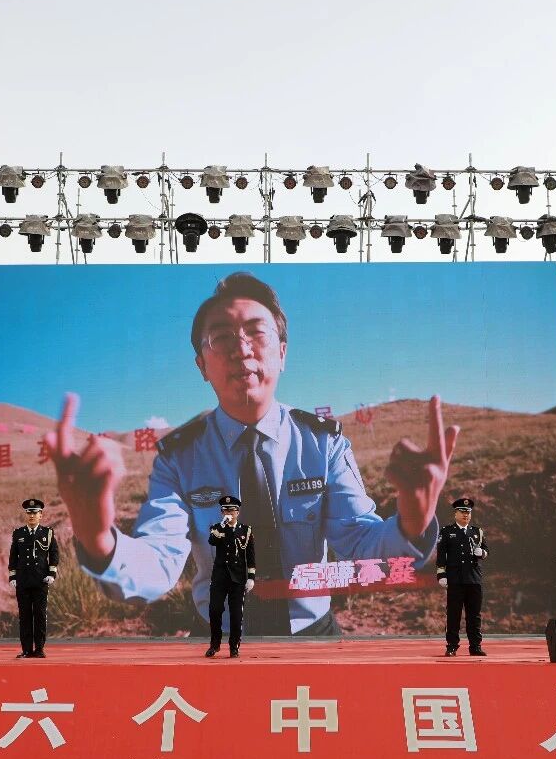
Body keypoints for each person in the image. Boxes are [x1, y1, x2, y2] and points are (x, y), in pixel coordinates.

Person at [41, 271, 459, 637]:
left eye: (257, 332)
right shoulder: (179, 458)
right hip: (218, 640)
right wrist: (98, 538)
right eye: (221, 337)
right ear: (202, 365)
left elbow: (361, 543)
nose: (240, 348)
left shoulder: (322, 444)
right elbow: (160, 563)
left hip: (312, 637)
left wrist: (413, 520)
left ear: (282, 353)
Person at [435, 497, 489, 656]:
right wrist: (441, 574)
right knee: (454, 614)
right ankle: (452, 646)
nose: (466, 515)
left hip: (474, 579)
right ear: (456, 513)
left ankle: (475, 646)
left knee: (474, 615)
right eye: (462, 512)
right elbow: (441, 556)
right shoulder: (447, 532)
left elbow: (486, 550)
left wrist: (482, 552)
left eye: (468, 513)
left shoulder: (477, 532)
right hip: (455, 579)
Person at [205, 495, 255, 658]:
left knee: (236, 614)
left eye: (231, 511)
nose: (228, 513)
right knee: (215, 610)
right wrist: (223, 524)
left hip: (238, 579)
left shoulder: (246, 530)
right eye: (225, 511)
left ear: (237, 512)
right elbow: (212, 541)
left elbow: (250, 556)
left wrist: (251, 577)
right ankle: (215, 644)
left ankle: (234, 646)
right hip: (219, 578)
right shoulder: (217, 528)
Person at [9, 497, 59, 658]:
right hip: (23, 581)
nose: (31, 516)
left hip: (40, 580)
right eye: (29, 513)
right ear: (26, 515)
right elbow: (13, 557)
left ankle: (39, 649)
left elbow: (54, 554)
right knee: (24, 616)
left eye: (35, 513)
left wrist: (51, 574)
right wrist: (12, 576)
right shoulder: (18, 533)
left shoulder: (47, 533)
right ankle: (26, 650)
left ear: (40, 515)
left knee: (39, 615)